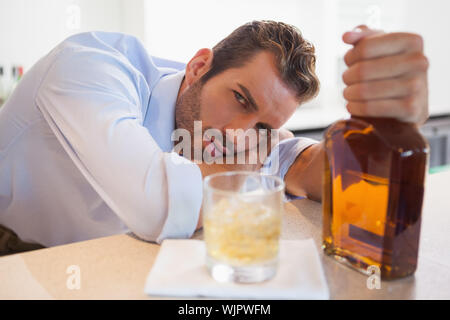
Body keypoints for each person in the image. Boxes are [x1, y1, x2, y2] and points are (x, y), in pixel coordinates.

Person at [0, 21, 429, 255]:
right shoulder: (89, 67)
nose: (240, 134)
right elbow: (157, 202)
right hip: (20, 255)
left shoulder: (243, 137)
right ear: (199, 66)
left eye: (263, 125)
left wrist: (385, 127)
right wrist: (254, 163)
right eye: (241, 99)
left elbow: (314, 171)